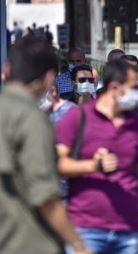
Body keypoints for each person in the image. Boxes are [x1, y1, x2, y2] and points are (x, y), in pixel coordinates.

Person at [56, 59, 138, 254]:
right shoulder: (77, 117)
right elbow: (59, 164)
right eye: (133, 88)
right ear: (114, 87)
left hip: (127, 228)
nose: (137, 94)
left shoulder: (134, 123)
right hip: (86, 228)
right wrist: (93, 166)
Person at [0, 36, 90, 254]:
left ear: (6, 69)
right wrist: (78, 245)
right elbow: (44, 196)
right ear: (50, 76)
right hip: (28, 241)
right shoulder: (31, 118)